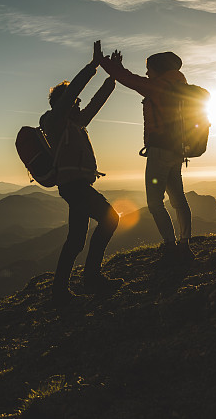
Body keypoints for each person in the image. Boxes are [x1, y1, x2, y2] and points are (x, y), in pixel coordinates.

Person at [40, 41, 123, 306]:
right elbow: (73, 91)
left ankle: (60, 291)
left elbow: (95, 104)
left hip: (76, 185)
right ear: (63, 103)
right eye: (74, 101)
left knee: (75, 241)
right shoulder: (55, 122)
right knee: (110, 219)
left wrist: (113, 77)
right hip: (74, 186)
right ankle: (91, 278)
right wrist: (93, 66)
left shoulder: (75, 123)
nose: (78, 104)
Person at [100, 50, 194, 262]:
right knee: (178, 198)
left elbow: (128, 80)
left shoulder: (159, 87)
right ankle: (185, 244)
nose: (147, 73)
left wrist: (104, 62)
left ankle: (170, 246)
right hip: (178, 151)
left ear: (158, 70)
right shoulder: (181, 88)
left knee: (155, 202)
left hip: (160, 151)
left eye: (149, 69)